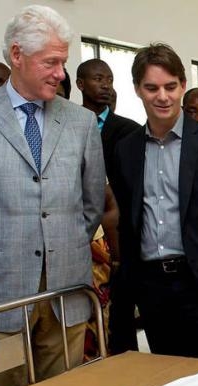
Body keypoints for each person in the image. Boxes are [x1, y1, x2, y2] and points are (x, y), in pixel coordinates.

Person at [0, 5, 106, 386]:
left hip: (65, 287)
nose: (61, 73)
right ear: (17, 55)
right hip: (1, 290)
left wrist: (61, 240)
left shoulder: (81, 122)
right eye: (51, 62)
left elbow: (92, 200)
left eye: (63, 62)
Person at [109, 43, 198, 360]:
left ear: (182, 86)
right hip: (153, 288)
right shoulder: (126, 149)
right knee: (169, 381)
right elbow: (129, 219)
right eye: (152, 88)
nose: (162, 96)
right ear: (137, 89)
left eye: (170, 87)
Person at [75, 58, 140, 354]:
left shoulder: (129, 131)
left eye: (110, 80)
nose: (105, 85)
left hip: (119, 232)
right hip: (78, 234)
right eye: (98, 79)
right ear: (80, 84)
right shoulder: (66, 125)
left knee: (120, 313)